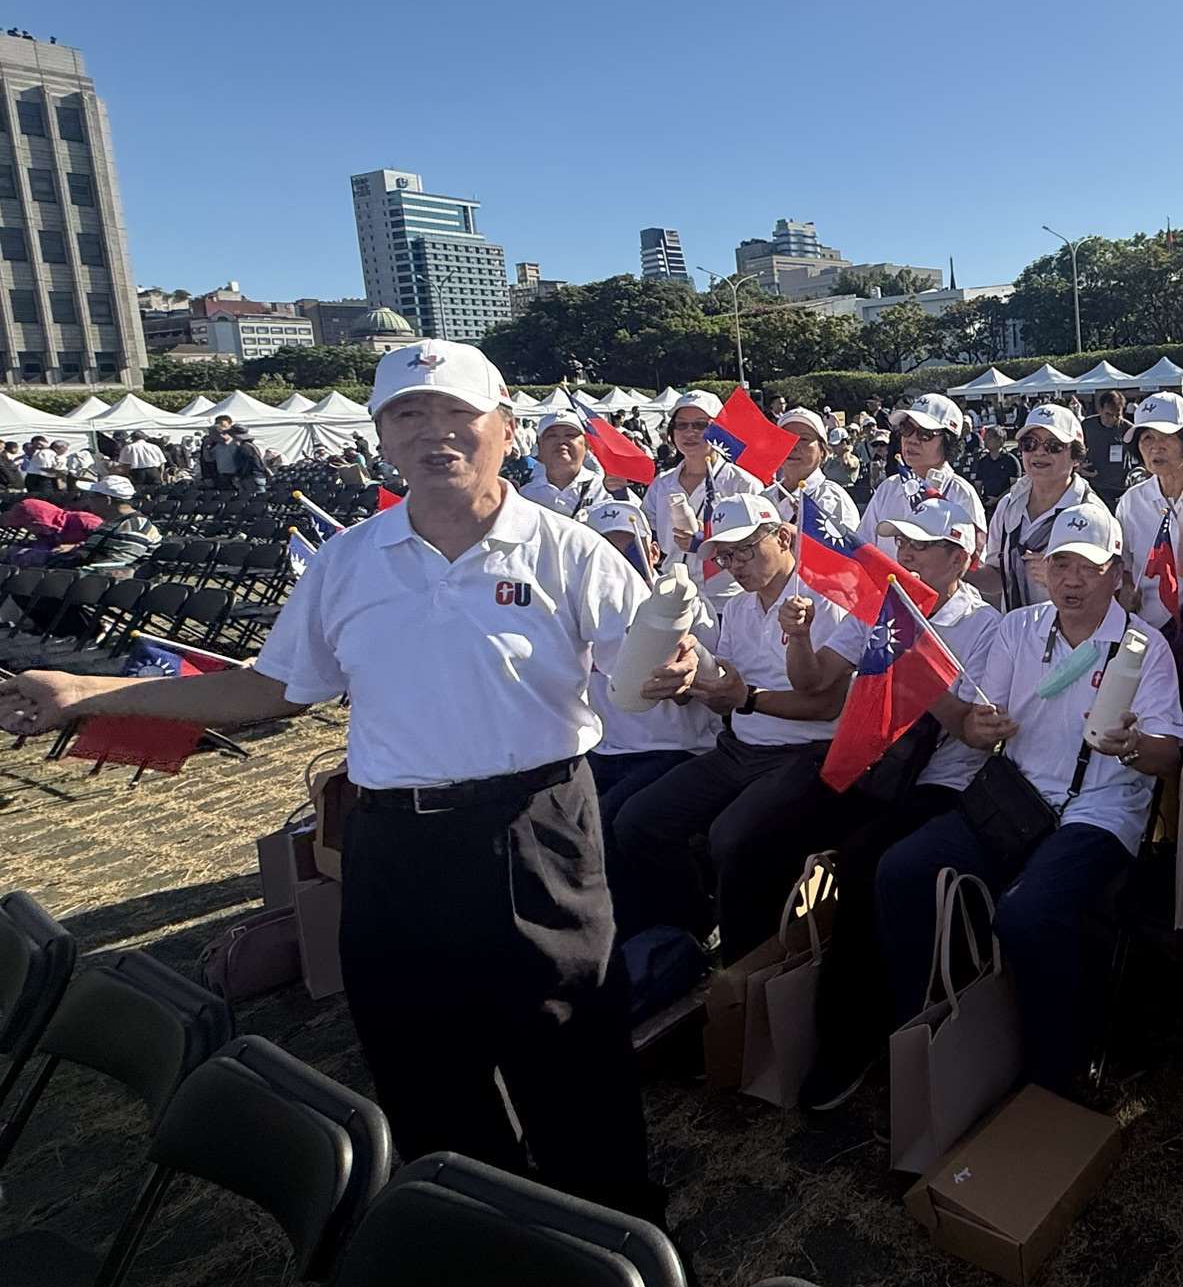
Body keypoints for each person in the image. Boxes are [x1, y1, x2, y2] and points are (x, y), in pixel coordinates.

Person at [0, 340, 684, 1221]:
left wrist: (681, 664)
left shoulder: (568, 551)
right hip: (395, 843)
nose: (434, 432)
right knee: (421, 1060)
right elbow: (271, 688)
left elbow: (653, 653)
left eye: (457, 414)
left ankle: (619, 1252)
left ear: (504, 429)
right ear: (382, 439)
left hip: (536, 830)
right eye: (408, 415)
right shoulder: (347, 562)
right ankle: (467, 1246)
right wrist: (89, 691)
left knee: (570, 1052)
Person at [875, 506, 1183, 1093]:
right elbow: (974, 725)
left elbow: (1169, 755)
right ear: (1042, 570)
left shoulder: (1144, 647)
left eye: (1087, 568)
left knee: (1025, 915)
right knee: (901, 869)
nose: (1071, 580)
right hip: (1015, 799)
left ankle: (1056, 1072)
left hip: (1097, 811)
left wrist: (1130, 745)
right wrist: (978, 727)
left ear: (1116, 573)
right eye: (1059, 564)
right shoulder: (1019, 628)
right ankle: (926, 1031)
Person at [800, 495, 1006, 1111]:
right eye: (902, 542)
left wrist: (917, 659)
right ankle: (759, 988)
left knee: (867, 865)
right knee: (781, 826)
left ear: (961, 557)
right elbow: (820, 680)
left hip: (943, 781)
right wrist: (796, 638)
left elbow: (976, 730)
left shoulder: (988, 625)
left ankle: (854, 1037)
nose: (907, 553)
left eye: (923, 545)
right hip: (880, 769)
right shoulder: (884, 603)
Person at [614, 493, 867, 962]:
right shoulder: (742, 608)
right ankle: (690, 930)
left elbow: (826, 706)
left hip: (808, 754)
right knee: (639, 821)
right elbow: (729, 685)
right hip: (743, 747)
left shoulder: (829, 598)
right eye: (727, 555)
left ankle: (746, 958)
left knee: (732, 838)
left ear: (784, 537)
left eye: (744, 550)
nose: (734, 565)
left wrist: (743, 699)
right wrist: (693, 678)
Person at [582, 500, 721, 822]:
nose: (619, 560)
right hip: (601, 750)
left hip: (673, 748)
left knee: (609, 824)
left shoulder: (686, 604)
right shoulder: (578, 606)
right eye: (606, 550)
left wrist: (685, 678)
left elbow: (711, 687)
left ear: (654, 551)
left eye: (631, 547)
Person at [977, 403, 1106, 611]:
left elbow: (1109, 593)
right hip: (1016, 634)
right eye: (1029, 444)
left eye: (1053, 446)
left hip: (1070, 637)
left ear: (1076, 457)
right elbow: (998, 578)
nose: (1039, 453)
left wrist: (1059, 579)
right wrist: (961, 566)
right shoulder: (1009, 505)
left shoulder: (1092, 514)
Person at [1114, 393, 1183, 634]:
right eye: (1147, 437)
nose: (1155, 446)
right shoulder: (1132, 501)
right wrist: (1126, 588)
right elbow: (1123, 563)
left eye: (1166, 436)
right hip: (1147, 631)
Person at [641, 390, 765, 582]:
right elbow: (644, 531)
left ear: (719, 430)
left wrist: (710, 543)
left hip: (725, 597)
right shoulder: (662, 484)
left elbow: (762, 543)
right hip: (672, 592)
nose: (690, 432)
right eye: (681, 425)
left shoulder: (743, 484)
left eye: (700, 425)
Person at [857, 394, 986, 546]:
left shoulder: (961, 494)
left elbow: (974, 561)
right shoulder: (888, 488)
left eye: (925, 433)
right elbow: (862, 549)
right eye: (906, 428)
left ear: (948, 441)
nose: (911, 439)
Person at [766, 407, 861, 542]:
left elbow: (846, 556)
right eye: (787, 437)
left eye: (804, 439)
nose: (793, 445)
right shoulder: (763, 498)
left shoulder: (834, 500)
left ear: (822, 450)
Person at [54, 475, 161, 572]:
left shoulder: (135, 526)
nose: (88, 501)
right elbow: (105, 546)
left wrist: (74, 573)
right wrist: (76, 547)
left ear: (107, 500)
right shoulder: (113, 520)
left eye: (91, 496)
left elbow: (118, 566)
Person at [520, 414, 606, 518]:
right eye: (552, 436)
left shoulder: (603, 490)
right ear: (539, 445)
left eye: (570, 435)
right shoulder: (521, 493)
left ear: (586, 444)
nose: (561, 441)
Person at [1080, 390, 1132, 508]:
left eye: (1117, 415)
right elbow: (1074, 451)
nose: (1113, 419)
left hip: (1121, 488)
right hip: (1095, 486)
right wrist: (1079, 467)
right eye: (1108, 414)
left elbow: (1142, 455)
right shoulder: (1087, 426)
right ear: (1100, 410)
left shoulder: (1128, 429)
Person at [970, 424, 1019, 512]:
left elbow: (1015, 486)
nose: (984, 440)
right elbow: (978, 484)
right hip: (987, 506)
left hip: (1007, 507)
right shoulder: (982, 462)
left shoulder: (1011, 461)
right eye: (984, 437)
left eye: (989, 438)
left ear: (999, 440)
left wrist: (998, 499)